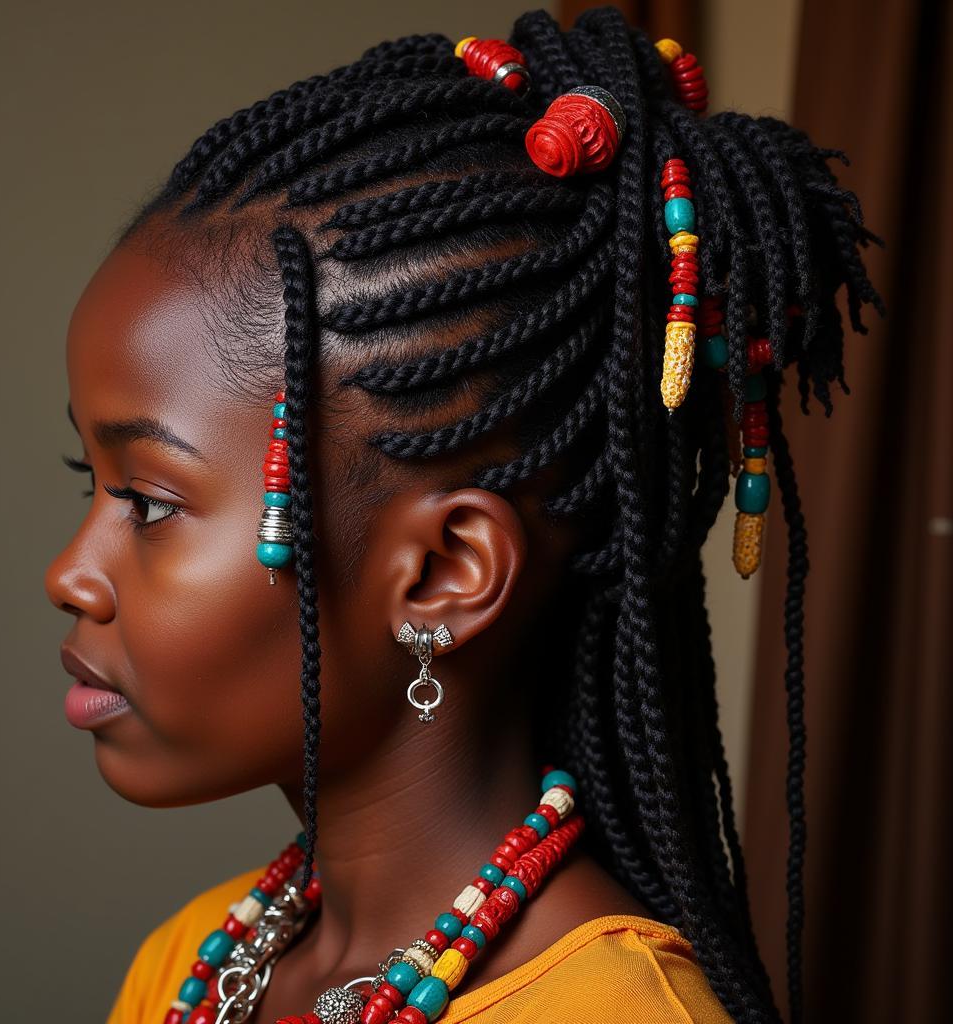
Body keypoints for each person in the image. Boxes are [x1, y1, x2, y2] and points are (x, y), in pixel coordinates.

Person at [44, 7, 881, 1023]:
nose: (70, 574)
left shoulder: (616, 1014)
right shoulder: (189, 965)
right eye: (91, 484)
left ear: (443, 571)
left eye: (148, 501)